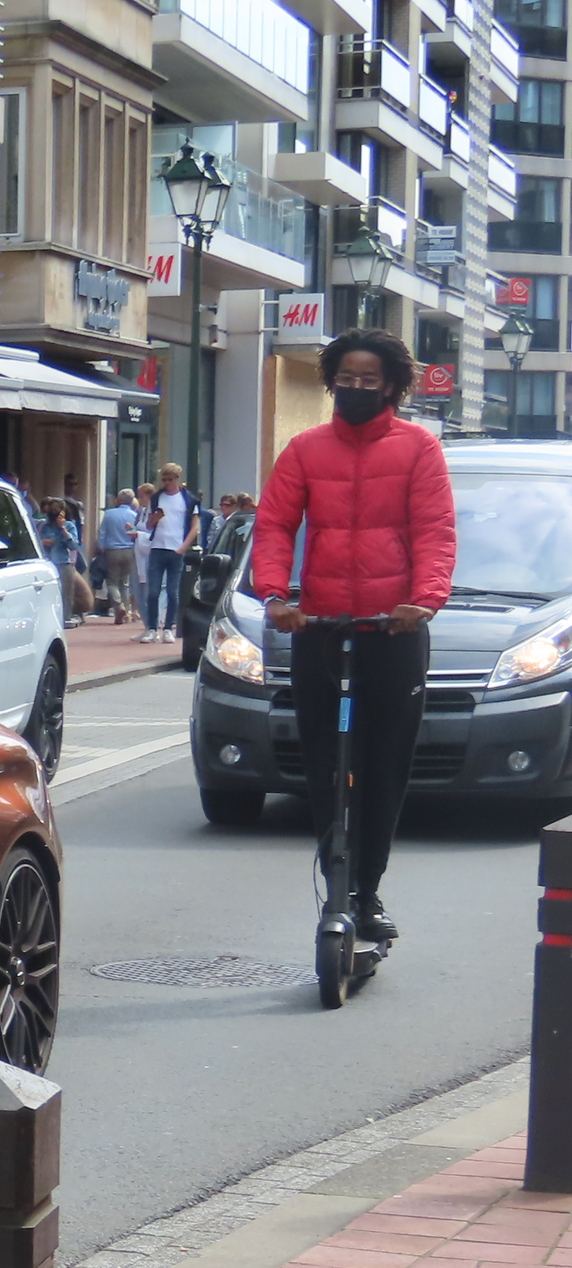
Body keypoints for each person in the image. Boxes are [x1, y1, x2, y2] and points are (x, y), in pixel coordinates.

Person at [250, 326, 455, 947]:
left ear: (391, 385)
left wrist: (423, 601)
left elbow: (434, 531)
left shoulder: (419, 448)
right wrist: (275, 595)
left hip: (393, 630)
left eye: (371, 381)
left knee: (385, 761)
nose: (357, 389)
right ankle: (335, 873)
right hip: (321, 626)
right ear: (332, 381)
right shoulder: (306, 449)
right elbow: (275, 525)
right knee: (325, 761)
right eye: (348, 379)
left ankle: (367, 889)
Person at [139, 462, 200, 642]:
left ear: (177, 479)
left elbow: (195, 526)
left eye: (170, 480)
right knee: (153, 591)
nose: (166, 483)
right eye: (164, 479)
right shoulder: (157, 497)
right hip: (157, 547)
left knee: (173, 592)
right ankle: (151, 628)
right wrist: (154, 519)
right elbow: (149, 526)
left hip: (176, 549)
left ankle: (168, 628)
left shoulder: (188, 499)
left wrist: (183, 546)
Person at [96, 489, 140, 626]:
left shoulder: (109, 514)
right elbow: (135, 533)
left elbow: (102, 532)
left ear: (118, 500)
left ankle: (118, 605)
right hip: (129, 549)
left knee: (112, 581)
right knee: (125, 582)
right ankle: (126, 612)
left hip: (112, 550)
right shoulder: (134, 515)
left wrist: (101, 546)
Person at [38, 499, 83, 626]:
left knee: (66, 593)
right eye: (52, 509)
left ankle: (65, 617)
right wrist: (43, 542)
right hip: (48, 562)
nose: (54, 512)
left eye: (57, 509)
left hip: (63, 562)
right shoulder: (44, 526)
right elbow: (36, 542)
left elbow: (74, 545)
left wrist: (63, 529)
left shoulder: (69, 525)